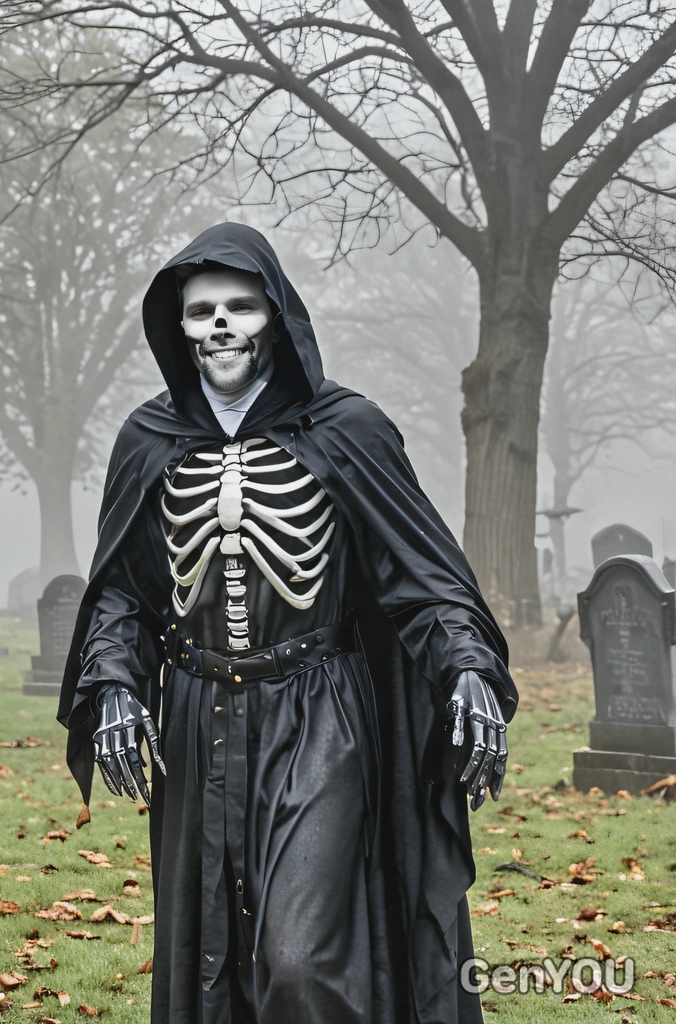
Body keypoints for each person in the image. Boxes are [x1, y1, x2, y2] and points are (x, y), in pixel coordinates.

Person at [58, 222, 517, 1024]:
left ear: (276, 315)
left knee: (301, 957)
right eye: (201, 312)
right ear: (179, 327)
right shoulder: (148, 438)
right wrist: (114, 682)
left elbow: (420, 575)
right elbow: (124, 592)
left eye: (241, 306)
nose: (221, 325)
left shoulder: (346, 427)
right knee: (212, 952)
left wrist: (467, 664)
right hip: (198, 716)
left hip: (319, 713)